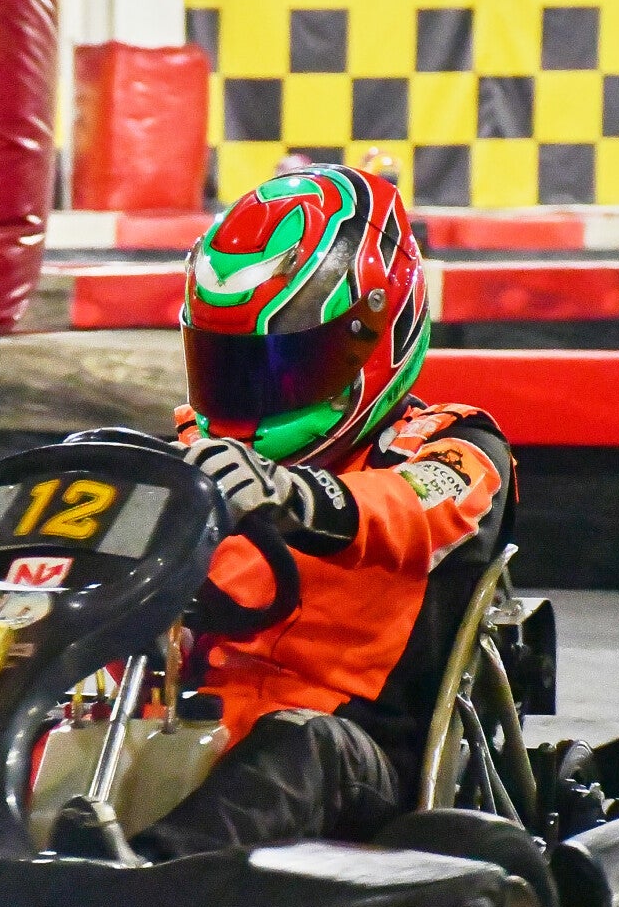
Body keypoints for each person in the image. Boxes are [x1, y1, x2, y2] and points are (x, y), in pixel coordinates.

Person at [136, 163, 515, 859]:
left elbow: (412, 507)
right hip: (184, 722)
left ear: (380, 332)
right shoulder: (191, 455)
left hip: (353, 761)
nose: (256, 396)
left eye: (291, 366)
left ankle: (141, 889)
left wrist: (294, 494)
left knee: (296, 746)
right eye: (230, 367)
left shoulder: (452, 447)